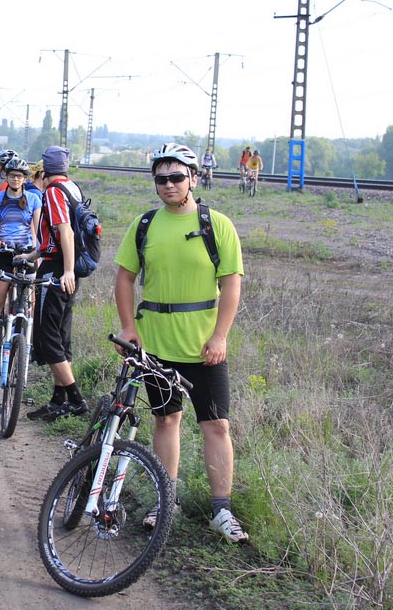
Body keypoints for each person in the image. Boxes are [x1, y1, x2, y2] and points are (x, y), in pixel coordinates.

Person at [113, 143, 249, 544]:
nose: (169, 184)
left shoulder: (217, 225)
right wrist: (128, 327)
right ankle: (164, 500)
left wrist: (220, 335)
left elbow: (231, 285)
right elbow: (124, 278)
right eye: (161, 179)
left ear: (194, 179)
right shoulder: (145, 224)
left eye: (176, 177)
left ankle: (221, 510)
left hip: (205, 349)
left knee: (217, 426)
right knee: (166, 420)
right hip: (156, 345)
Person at [16, 146, 88, 421]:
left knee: (47, 338)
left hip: (57, 271)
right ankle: (58, 400)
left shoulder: (54, 192)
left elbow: (65, 232)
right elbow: (53, 238)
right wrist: (32, 256)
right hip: (64, 267)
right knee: (60, 335)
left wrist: (66, 271)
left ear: (45, 169)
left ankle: (75, 399)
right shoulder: (72, 188)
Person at [0, 156, 41, 365]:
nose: (15, 179)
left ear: (24, 179)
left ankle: (30, 347)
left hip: (26, 253)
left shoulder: (33, 199)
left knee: (30, 304)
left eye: (19, 176)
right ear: (6, 177)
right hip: (4, 253)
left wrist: (37, 249)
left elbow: (38, 228)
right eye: (12, 175)